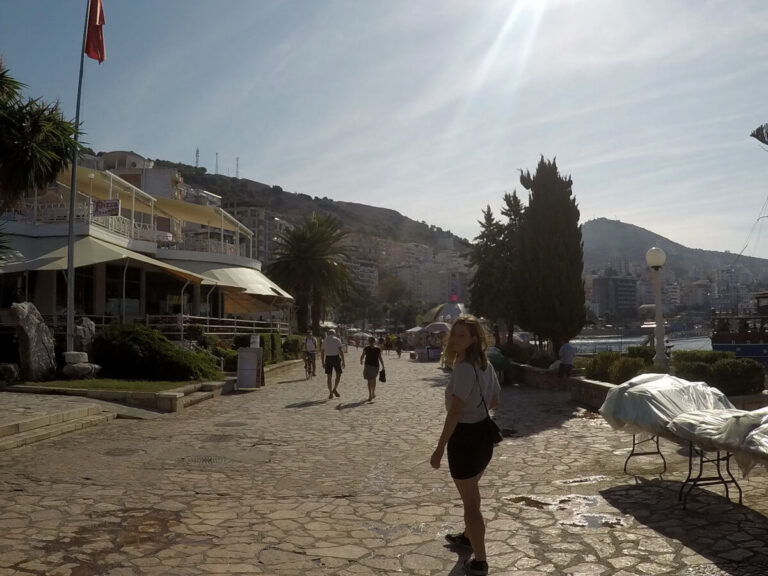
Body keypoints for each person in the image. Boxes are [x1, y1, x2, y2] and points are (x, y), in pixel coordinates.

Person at [430, 315, 500, 576]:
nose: (455, 338)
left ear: (473, 339)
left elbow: (455, 412)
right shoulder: (485, 365)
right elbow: (495, 399)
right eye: (454, 333)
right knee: (472, 492)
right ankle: (468, 537)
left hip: (465, 439)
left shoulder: (463, 369)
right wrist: (476, 411)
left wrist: (438, 449)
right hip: (484, 435)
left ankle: (480, 560)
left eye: (462, 335)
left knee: (470, 502)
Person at [322, 328, 345, 398]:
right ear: (334, 333)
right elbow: (341, 351)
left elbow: (322, 352)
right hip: (336, 358)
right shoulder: (337, 340)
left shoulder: (324, 340)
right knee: (338, 374)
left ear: (328, 333)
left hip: (328, 358)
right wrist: (343, 361)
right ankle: (334, 388)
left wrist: (322, 362)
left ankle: (330, 392)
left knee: (329, 377)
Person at [359, 336, 385, 401]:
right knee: (373, 379)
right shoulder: (377, 349)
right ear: (374, 341)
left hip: (368, 366)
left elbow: (362, 356)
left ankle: (370, 394)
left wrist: (361, 361)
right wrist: (383, 366)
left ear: (369, 341)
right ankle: (373, 392)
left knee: (369, 380)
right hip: (375, 366)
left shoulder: (366, 348)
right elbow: (380, 358)